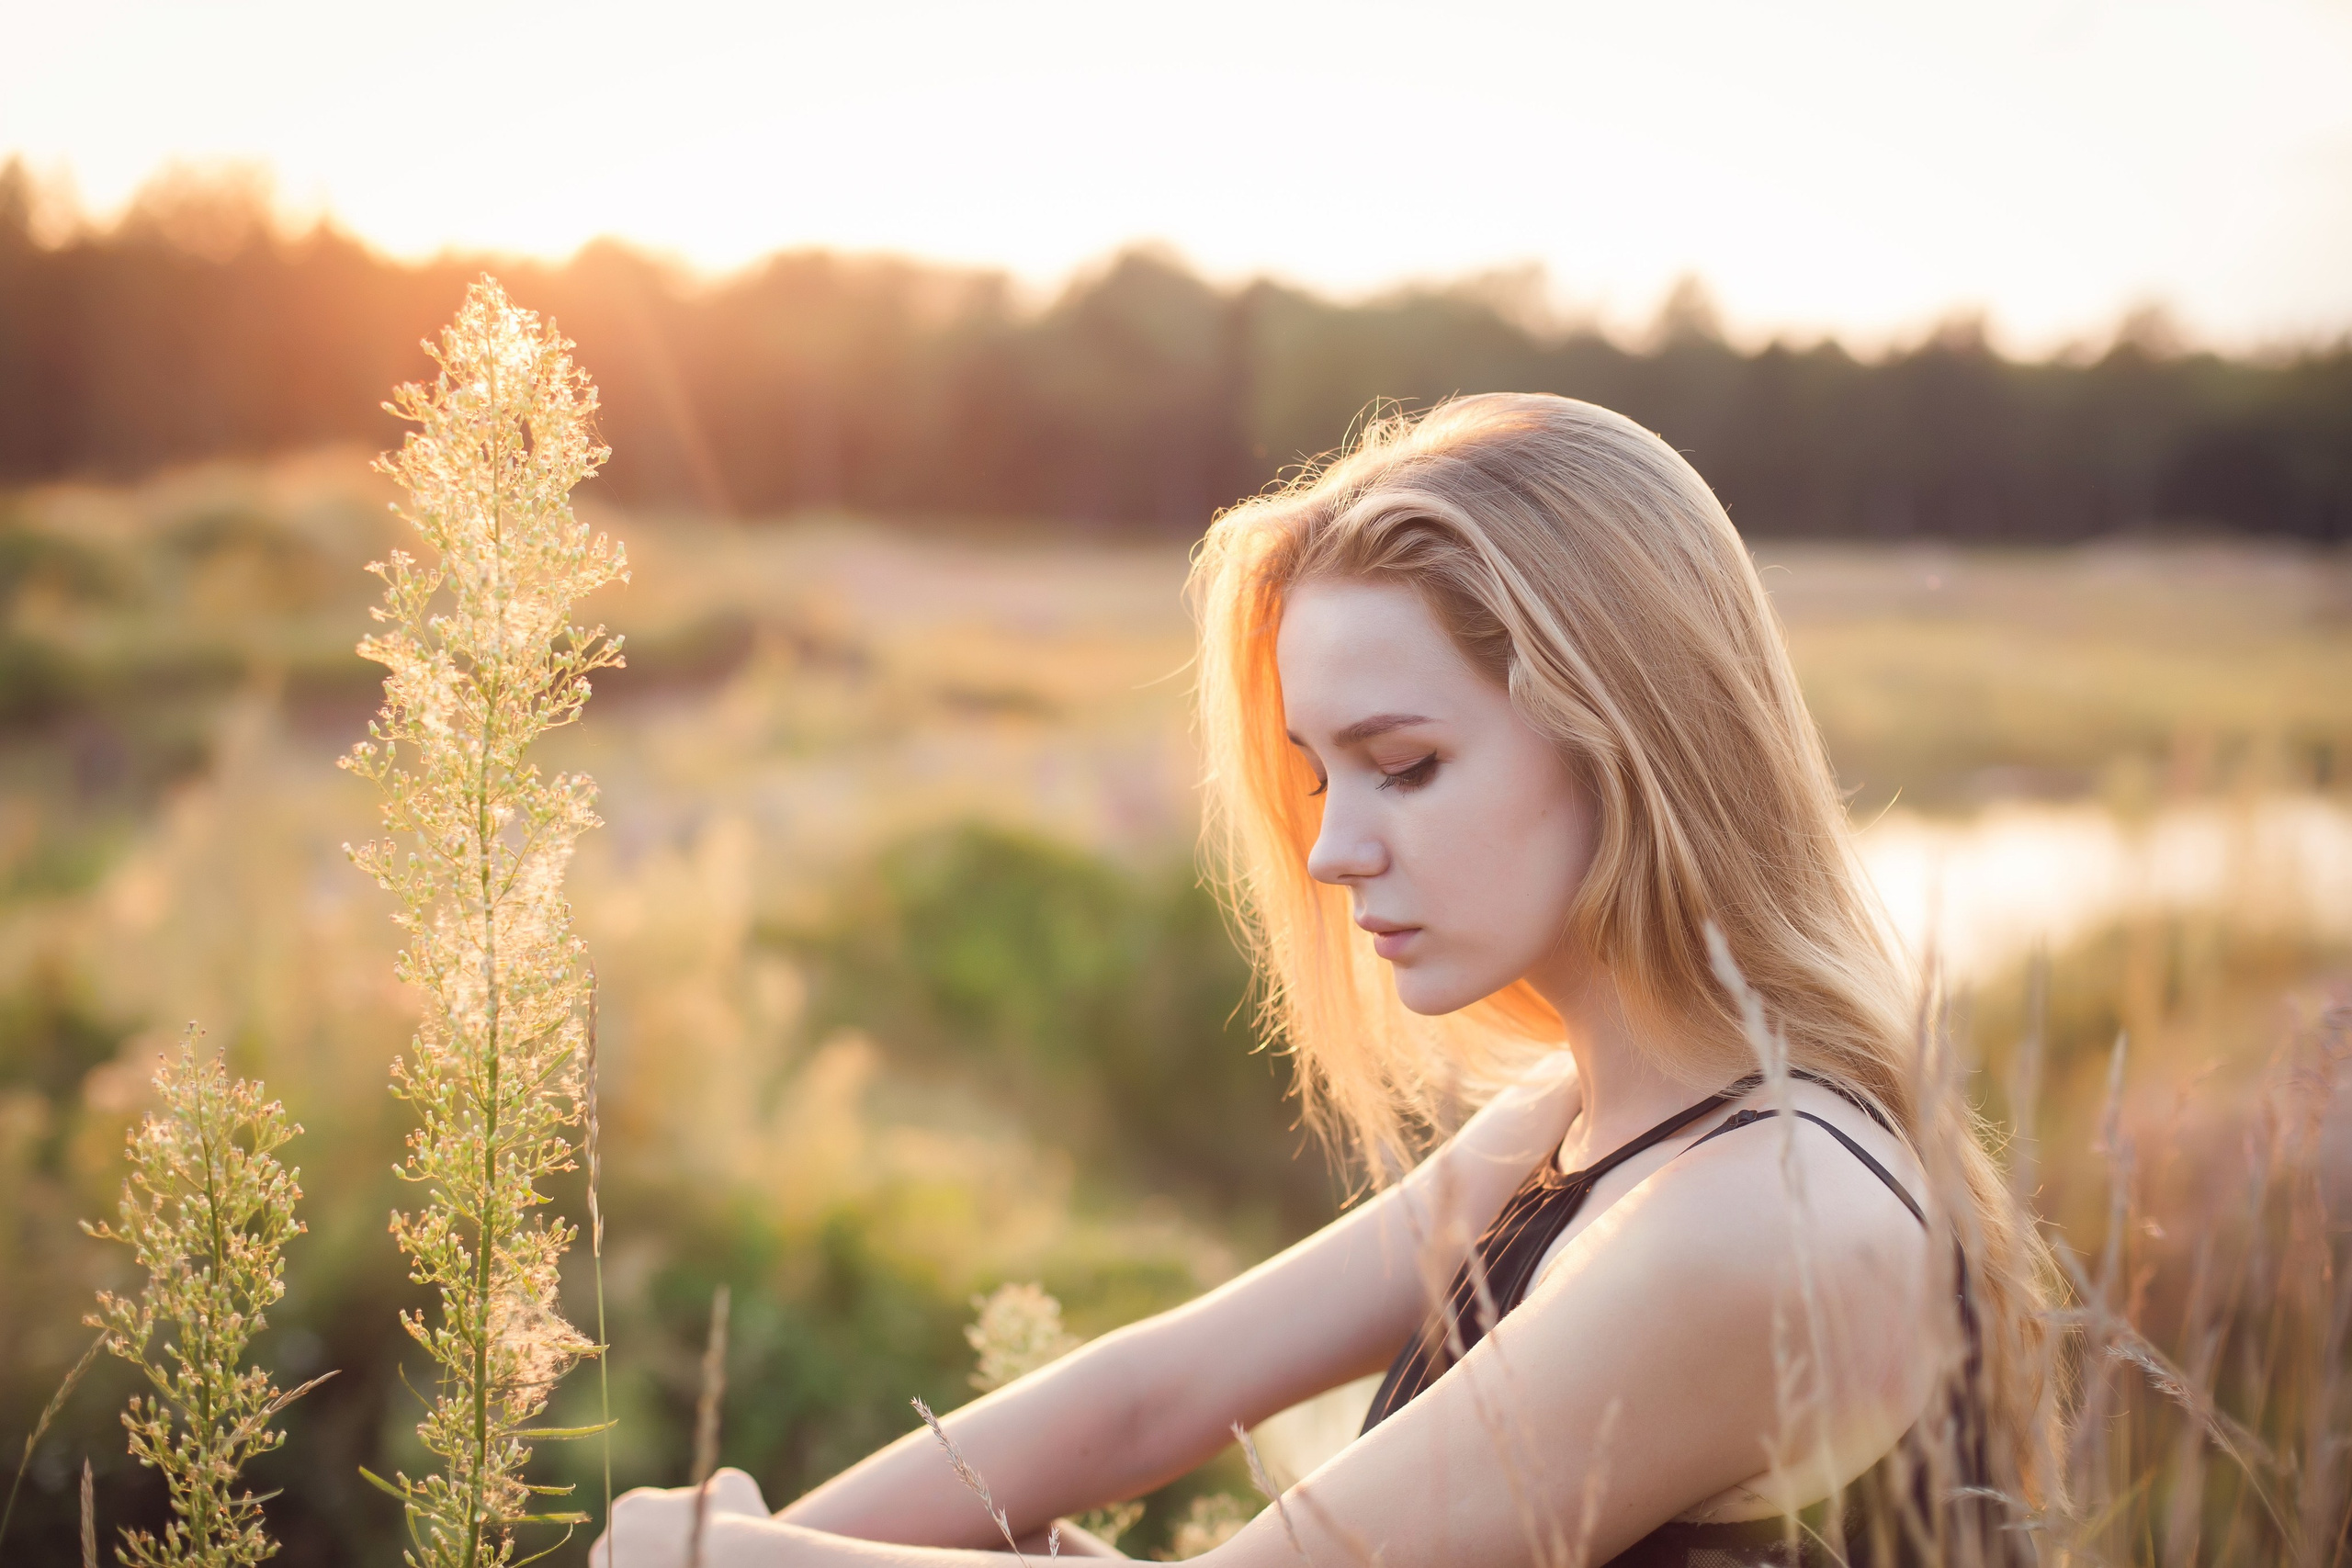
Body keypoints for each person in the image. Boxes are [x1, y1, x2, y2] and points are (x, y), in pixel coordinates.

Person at [594, 394, 2052, 1567]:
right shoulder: (1582, 1131)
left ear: (1629, 735)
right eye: (1317, 774)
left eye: (1405, 766)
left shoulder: (1764, 1221)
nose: (1336, 851)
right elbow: (1143, 1401)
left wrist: (727, 1560)